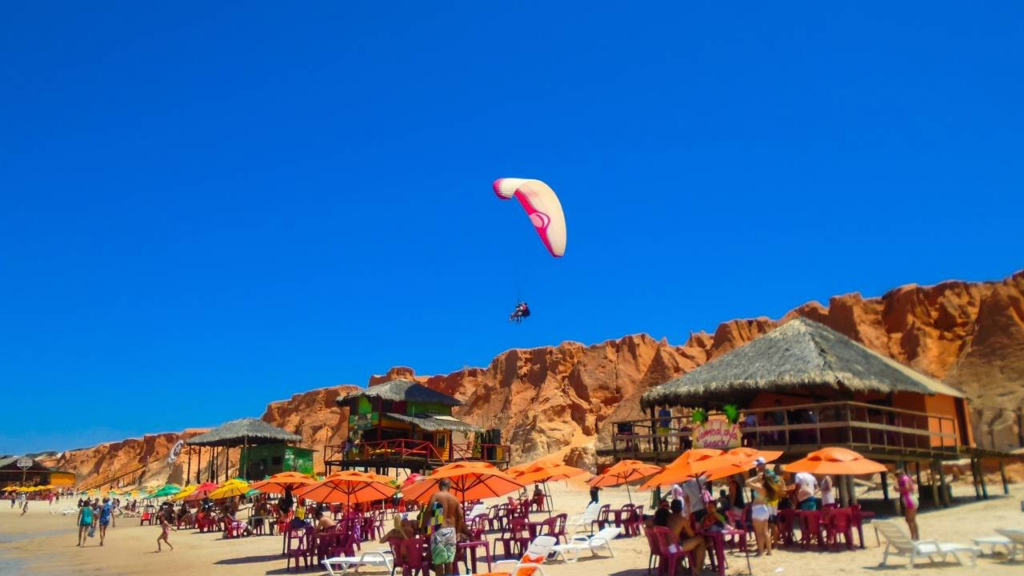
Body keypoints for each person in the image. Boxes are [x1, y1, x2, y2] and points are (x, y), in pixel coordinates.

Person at [426, 478, 465, 576]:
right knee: (449, 561)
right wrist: (458, 532)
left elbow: (428, 511)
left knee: (438, 562)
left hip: (438, 530)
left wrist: (423, 527)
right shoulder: (455, 499)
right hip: (451, 531)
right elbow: (461, 516)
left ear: (439, 486)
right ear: (449, 487)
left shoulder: (436, 496)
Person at [665, 499, 707, 569]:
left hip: (667, 546)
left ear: (671, 508)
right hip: (676, 547)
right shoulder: (681, 519)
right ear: (681, 508)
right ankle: (697, 568)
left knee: (691, 541)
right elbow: (692, 535)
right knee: (700, 540)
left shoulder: (668, 518)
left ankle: (691, 567)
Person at [745, 459, 772, 556]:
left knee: (759, 532)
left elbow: (747, 482)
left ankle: (760, 551)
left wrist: (756, 477)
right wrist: (759, 477)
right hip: (764, 509)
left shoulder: (760, 487)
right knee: (765, 531)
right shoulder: (767, 487)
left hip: (758, 510)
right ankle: (769, 551)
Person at [896, 468, 919, 541]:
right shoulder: (907, 478)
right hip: (912, 498)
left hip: (908, 499)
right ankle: (916, 537)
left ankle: (913, 537)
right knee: (913, 520)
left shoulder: (904, 479)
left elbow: (906, 488)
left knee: (909, 520)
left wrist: (898, 489)